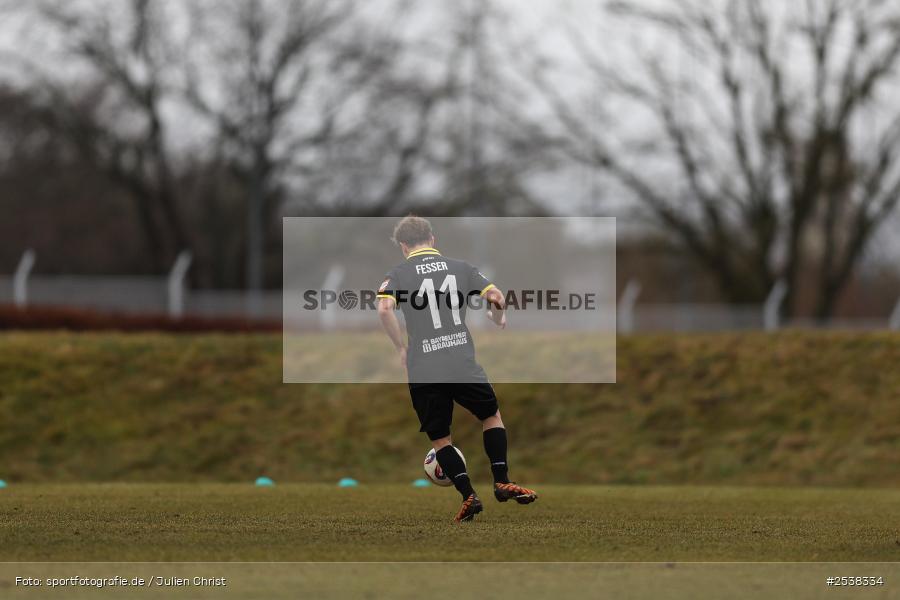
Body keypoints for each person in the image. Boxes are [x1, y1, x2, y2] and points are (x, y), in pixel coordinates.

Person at [376, 215, 538, 523]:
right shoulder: (461, 268)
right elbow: (497, 297)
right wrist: (497, 317)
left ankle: (468, 495)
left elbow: (384, 309)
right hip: (461, 360)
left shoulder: (398, 274)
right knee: (490, 416)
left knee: (441, 438)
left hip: (424, 365)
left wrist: (400, 348)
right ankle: (501, 480)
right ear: (432, 239)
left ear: (403, 246)